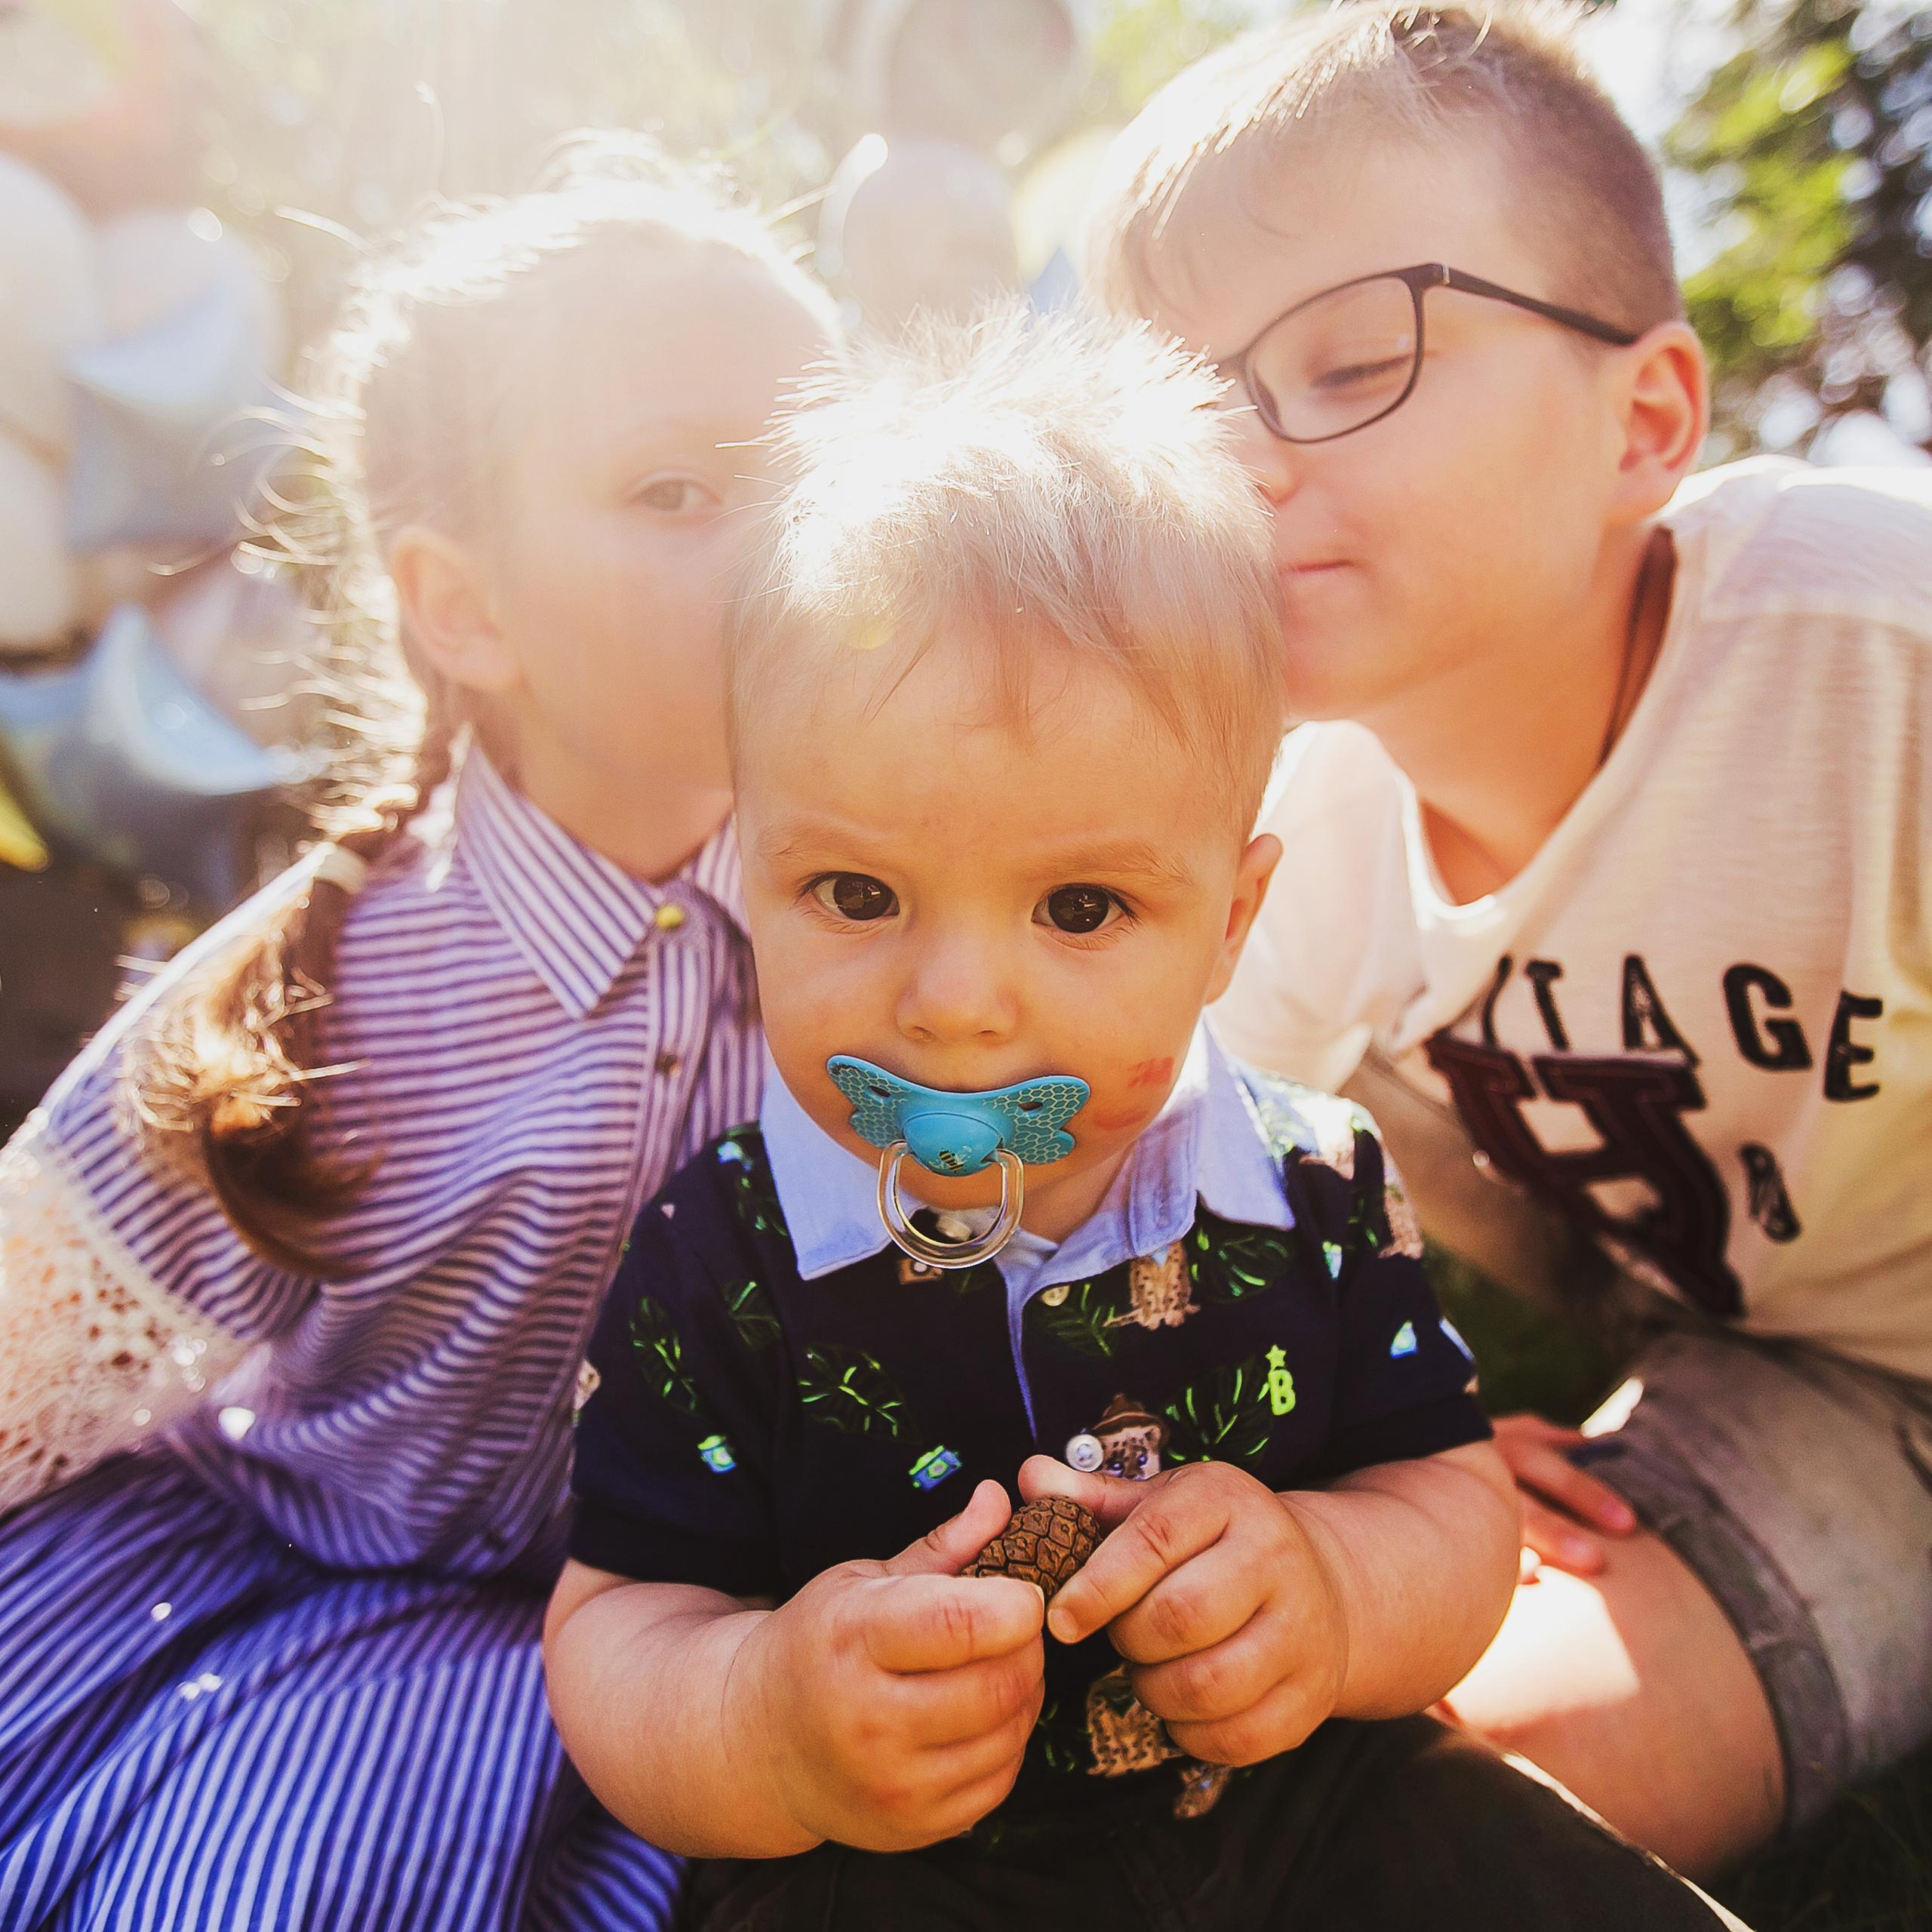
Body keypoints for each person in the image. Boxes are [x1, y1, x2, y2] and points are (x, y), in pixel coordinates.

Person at [543, 312, 1746, 1930]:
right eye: (854, 891)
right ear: (747, 859)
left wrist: (1328, 1589)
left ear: (1232, 919)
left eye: (1083, 903)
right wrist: (762, 1709)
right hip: (891, 1866)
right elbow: (618, 1617)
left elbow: (1446, 1499)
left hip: (1305, 1807)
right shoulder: (722, 1246)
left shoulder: (1314, 1185)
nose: (957, 999)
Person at [1085, 0, 1932, 1876]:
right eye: (1188, 394)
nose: (1242, 457)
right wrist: (1381, 1432)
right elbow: (1193, 1215)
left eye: (1346, 356)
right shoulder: (1296, 835)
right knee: (1409, 1787)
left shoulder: (1871, 658)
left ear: (1642, 420)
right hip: (1796, 1389)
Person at [0, 144, 838, 1930]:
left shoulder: (896, 917)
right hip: (282, 1599)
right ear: (462, 605)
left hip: (686, 1626)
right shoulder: (339, 988)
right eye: (680, 487)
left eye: (825, 467)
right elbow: (20, 1352)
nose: (790, 534)